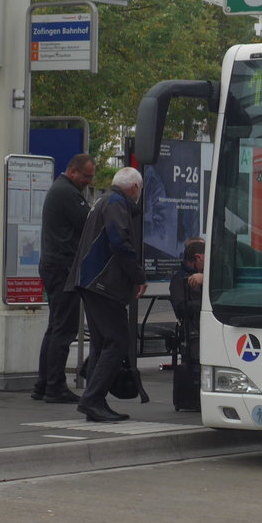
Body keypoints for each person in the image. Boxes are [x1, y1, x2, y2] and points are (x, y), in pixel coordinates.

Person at [67, 166, 147, 422]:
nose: (140, 194)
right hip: (103, 284)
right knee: (117, 341)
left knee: (103, 343)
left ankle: (95, 400)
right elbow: (120, 242)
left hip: (92, 282)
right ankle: (92, 400)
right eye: (140, 189)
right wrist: (138, 276)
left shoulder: (104, 201)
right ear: (134, 187)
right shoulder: (116, 203)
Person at [32, 153, 96, 403]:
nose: (89, 182)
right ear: (73, 171)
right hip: (63, 267)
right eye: (86, 176)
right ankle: (55, 386)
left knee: (55, 326)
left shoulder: (61, 189)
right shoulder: (67, 193)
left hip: (53, 265)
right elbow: (89, 223)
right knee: (65, 327)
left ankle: (43, 383)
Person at [169, 237, 205, 411]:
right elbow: (181, 308)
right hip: (193, 332)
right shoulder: (180, 279)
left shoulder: (207, 276)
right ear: (198, 258)